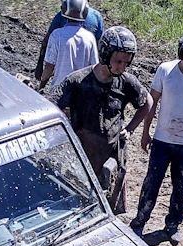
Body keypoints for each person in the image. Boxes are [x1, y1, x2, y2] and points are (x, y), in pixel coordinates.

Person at [50, 26, 152, 213]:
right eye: (118, 61)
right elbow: (52, 104)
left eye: (126, 63)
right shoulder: (78, 81)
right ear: (105, 54)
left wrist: (130, 129)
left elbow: (147, 102)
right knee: (79, 204)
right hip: (82, 156)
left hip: (111, 156)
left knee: (108, 206)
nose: (121, 67)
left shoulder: (126, 82)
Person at [129, 30, 183, 245]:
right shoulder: (165, 70)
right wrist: (145, 132)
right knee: (152, 183)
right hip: (162, 140)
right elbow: (152, 102)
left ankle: (173, 225)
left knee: (181, 187)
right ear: (182, 52)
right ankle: (139, 222)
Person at [34, 0, 104, 82]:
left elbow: (47, 41)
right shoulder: (96, 17)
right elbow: (100, 48)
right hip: (84, 79)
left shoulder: (63, 14)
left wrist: (40, 65)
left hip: (62, 77)